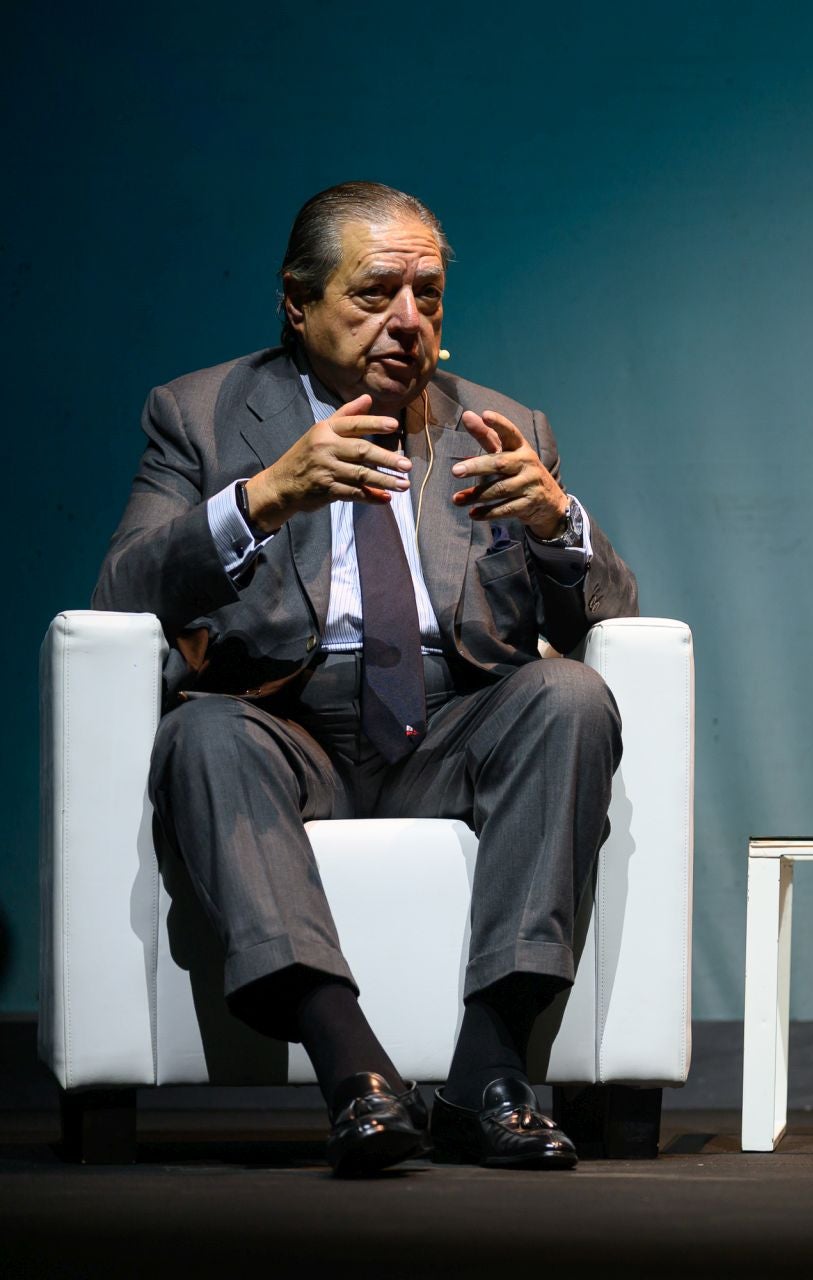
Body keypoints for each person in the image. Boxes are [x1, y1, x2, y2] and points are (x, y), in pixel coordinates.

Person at [94, 182, 640, 1176]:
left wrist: (556, 521)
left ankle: (489, 1073)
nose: (408, 321)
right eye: (376, 292)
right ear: (296, 302)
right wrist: (260, 500)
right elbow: (123, 589)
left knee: (572, 696)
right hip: (285, 724)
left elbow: (607, 617)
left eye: (428, 295)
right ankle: (358, 1073)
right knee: (201, 734)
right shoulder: (200, 413)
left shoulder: (503, 421)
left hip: (455, 726)